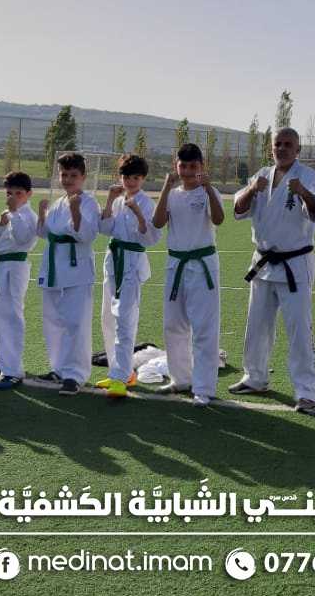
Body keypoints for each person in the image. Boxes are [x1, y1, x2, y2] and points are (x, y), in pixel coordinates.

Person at [230, 126, 315, 412]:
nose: (282, 148)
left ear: (298, 150)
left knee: (299, 329)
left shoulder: (308, 178)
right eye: (277, 144)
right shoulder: (260, 176)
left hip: (294, 262)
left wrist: (304, 193)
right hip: (263, 262)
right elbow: (238, 209)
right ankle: (255, 377)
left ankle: (306, 391)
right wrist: (251, 189)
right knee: (257, 324)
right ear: (271, 148)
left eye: (287, 144)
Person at [153, 144, 224, 407]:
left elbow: (219, 219)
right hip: (176, 264)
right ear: (176, 166)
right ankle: (181, 378)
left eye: (193, 166)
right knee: (173, 325)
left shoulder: (208, 192)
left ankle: (204, 387)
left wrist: (209, 188)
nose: (187, 171)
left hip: (202, 264)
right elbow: (157, 222)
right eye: (183, 166)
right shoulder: (172, 194)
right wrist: (165, 187)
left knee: (204, 327)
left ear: (202, 167)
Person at [96, 154, 161, 398]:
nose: (130, 182)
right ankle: (120, 371)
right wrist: (109, 200)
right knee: (107, 318)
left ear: (143, 179)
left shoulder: (147, 203)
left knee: (125, 320)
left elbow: (151, 238)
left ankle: (121, 377)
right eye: (126, 177)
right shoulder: (118, 199)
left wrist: (138, 213)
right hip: (113, 260)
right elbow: (104, 229)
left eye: (135, 177)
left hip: (132, 263)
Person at [36, 152, 100, 396]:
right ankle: (58, 368)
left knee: (76, 322)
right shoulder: (58, 202)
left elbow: (87, 235)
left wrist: (75, 211)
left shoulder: (89, 203)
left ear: (83, 177)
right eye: (64, 175)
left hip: (76, 269)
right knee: (53, 320)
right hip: (53, 266)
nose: (68, 179)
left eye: (73, 175)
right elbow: (45, 234)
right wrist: (42, 213)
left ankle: (75, 374)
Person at [0, 172, 37, 390]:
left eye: (18, 193)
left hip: (15, 267)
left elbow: (23, 238)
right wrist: (1, 225)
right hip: (2, 266)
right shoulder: (9, 214)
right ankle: (4, 360)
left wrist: (13, 214)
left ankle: (13, 371)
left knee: (11, 317)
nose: (12, 197)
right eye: (9, 193)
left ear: (28, 194)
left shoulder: (28, 216)